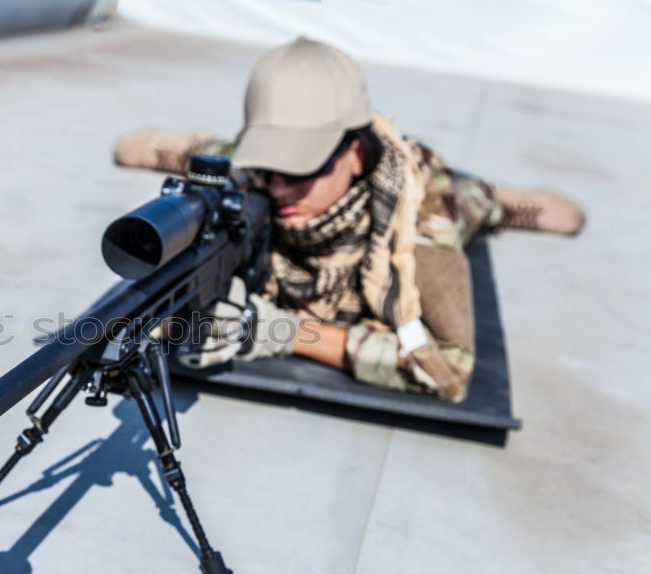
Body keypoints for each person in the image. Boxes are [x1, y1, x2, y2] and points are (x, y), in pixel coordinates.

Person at [113, 37, 584, 403]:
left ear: (354, 154)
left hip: (438, 195)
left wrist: (289, 332)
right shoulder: (262, 176)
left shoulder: (418, 225)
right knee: (184, 155)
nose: (279, 189)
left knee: (473, 201)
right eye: (271, 167)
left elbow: (446, 373)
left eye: (301, 169)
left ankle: (497, 198)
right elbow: (253, 170)